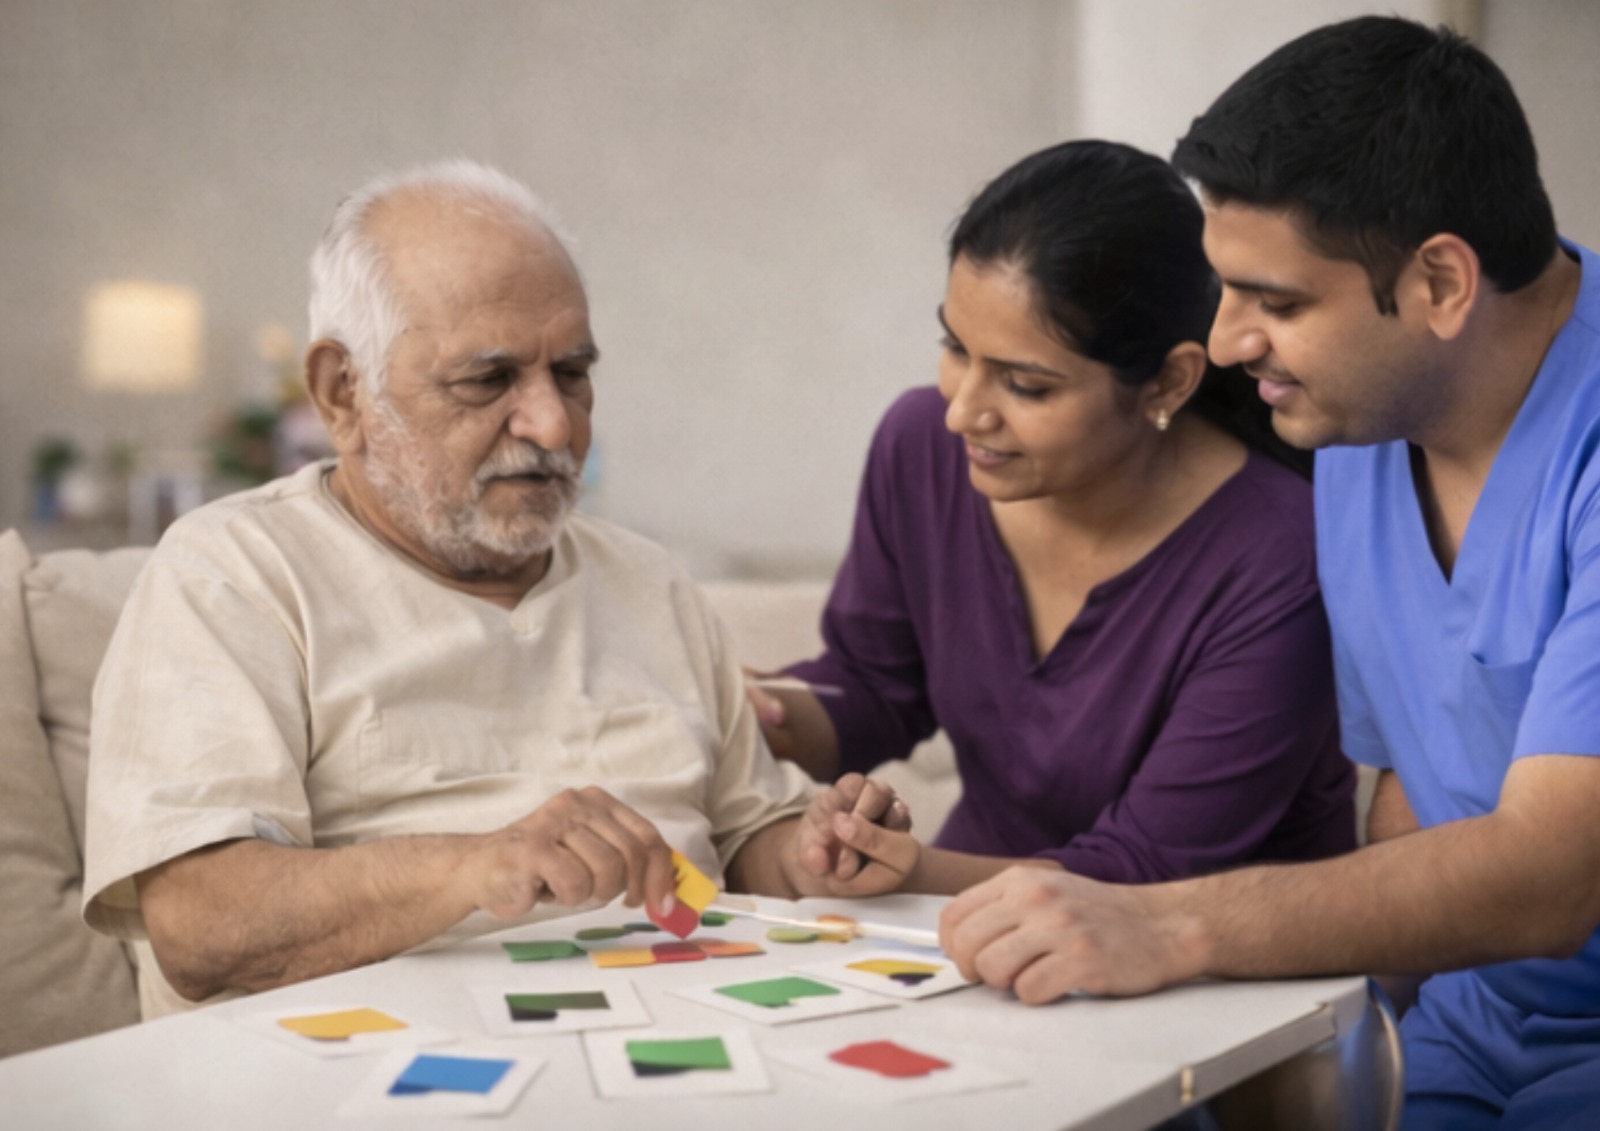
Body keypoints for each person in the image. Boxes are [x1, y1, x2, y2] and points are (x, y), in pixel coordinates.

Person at [932, 17, 1600, 1128]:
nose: (1231, 343)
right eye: (1224, 291)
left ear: (1439, 281)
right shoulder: (1354, 425)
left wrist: (1172, 927)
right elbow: (1403, 806)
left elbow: (1550, 874)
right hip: (1471, 1033)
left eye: (1277, 303)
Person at [81, 160, 908, 1020]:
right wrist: (478, 865)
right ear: (342, 391)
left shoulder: (650, 582)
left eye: (573, 373)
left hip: (679, 1045)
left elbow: (744, 843)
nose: (553, 424)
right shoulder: (234, 574)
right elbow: (201, 924)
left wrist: (817, 854)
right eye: (488, 380)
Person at [749, 140, 1356, 895]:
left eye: (1025, 385)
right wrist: (753, 716)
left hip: (1212, 977)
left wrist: (905, 871)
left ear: (1167, 381)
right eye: (954, 346)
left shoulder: (1281, 559)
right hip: (957, 943)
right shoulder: (921, 450)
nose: (963, 411)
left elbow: (1150, 870)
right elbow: (875, 684)